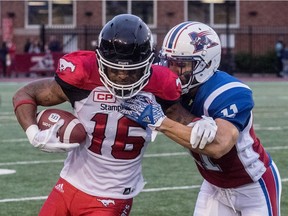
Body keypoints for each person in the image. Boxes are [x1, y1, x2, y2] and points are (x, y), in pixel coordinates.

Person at [12, 15, 217, 216]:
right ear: (100, 61)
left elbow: (183, 120)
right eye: (114, 69)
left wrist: (201, 123)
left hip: (112, 197)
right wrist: (33, 134)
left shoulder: (160, 86)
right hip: (67, 184)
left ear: (147, 64)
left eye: (132, 71)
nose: (122, 76)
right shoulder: (83, 73)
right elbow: (26, 93)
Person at [120, 21, 282, 216]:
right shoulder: (169, 86)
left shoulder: (228, 92)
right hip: (214, 186)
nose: (171, 72)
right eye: (168, 62)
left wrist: (159, 121)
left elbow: (218, 146)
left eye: (180, 65)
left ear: (206, 64)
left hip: (252, 185)